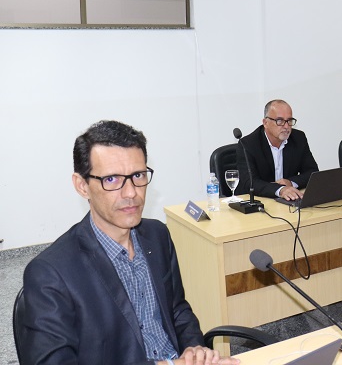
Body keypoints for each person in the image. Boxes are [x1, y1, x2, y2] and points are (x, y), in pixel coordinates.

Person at [20, 120, 239, 365]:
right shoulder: (50, 272)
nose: (131, 192)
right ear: (82, 186)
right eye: (112, 179)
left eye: (137, 175)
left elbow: (177, 310)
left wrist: (194, 349)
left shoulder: (157, 235)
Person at [235, 99, 319, 202]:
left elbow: (312, 172)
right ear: (265, 123)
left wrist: (290, 183)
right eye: (280, 121)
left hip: (287, 202)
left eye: (289, 121)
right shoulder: (248, 144)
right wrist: (280, 190)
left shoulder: (298, 138)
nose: (286, 126)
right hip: (259, 202)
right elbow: (249, 182)